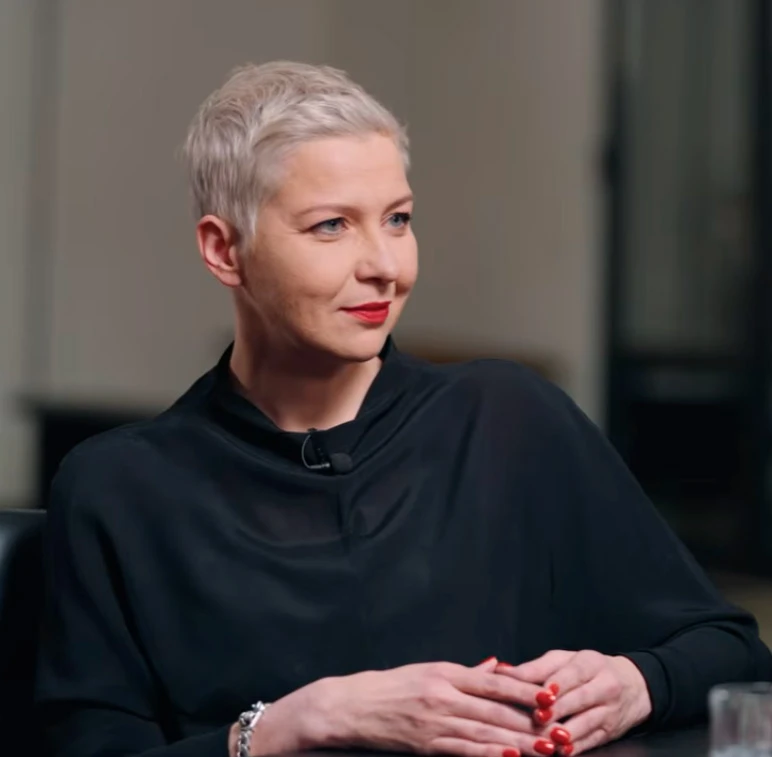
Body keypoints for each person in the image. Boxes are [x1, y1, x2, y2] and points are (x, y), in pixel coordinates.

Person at [35, 61, 771, 757]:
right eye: (331, 225)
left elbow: (730, 648)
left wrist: (636, 682)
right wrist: (297, 722)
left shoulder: (510, 421)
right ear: (224, 251)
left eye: (397, 219)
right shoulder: (118, 489)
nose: (385, 265)